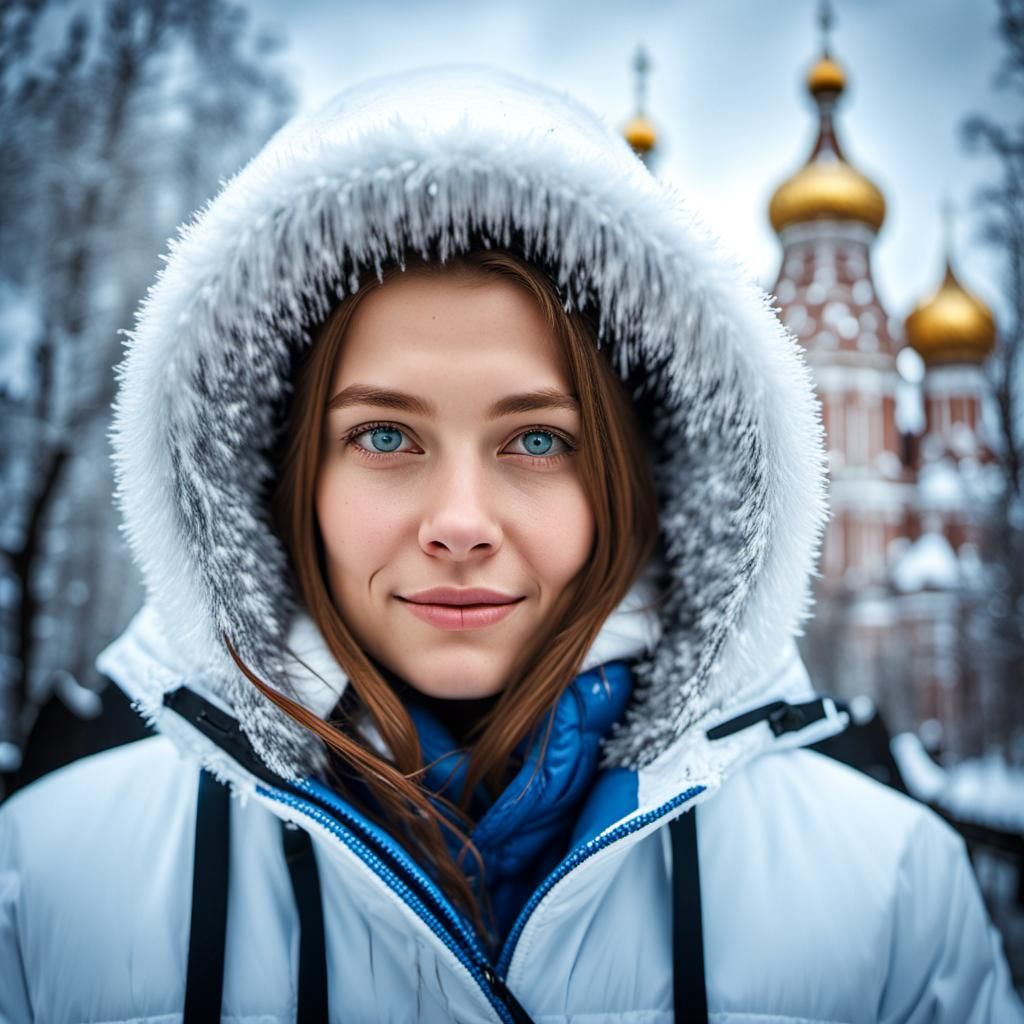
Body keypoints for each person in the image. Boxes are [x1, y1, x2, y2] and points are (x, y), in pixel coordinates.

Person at [0, 66, 1020, 1024]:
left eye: (537, 439)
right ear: (279, 476)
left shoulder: (887, 894)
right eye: (384, 435)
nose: (459, 521)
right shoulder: (42, 889)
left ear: (640, 482)